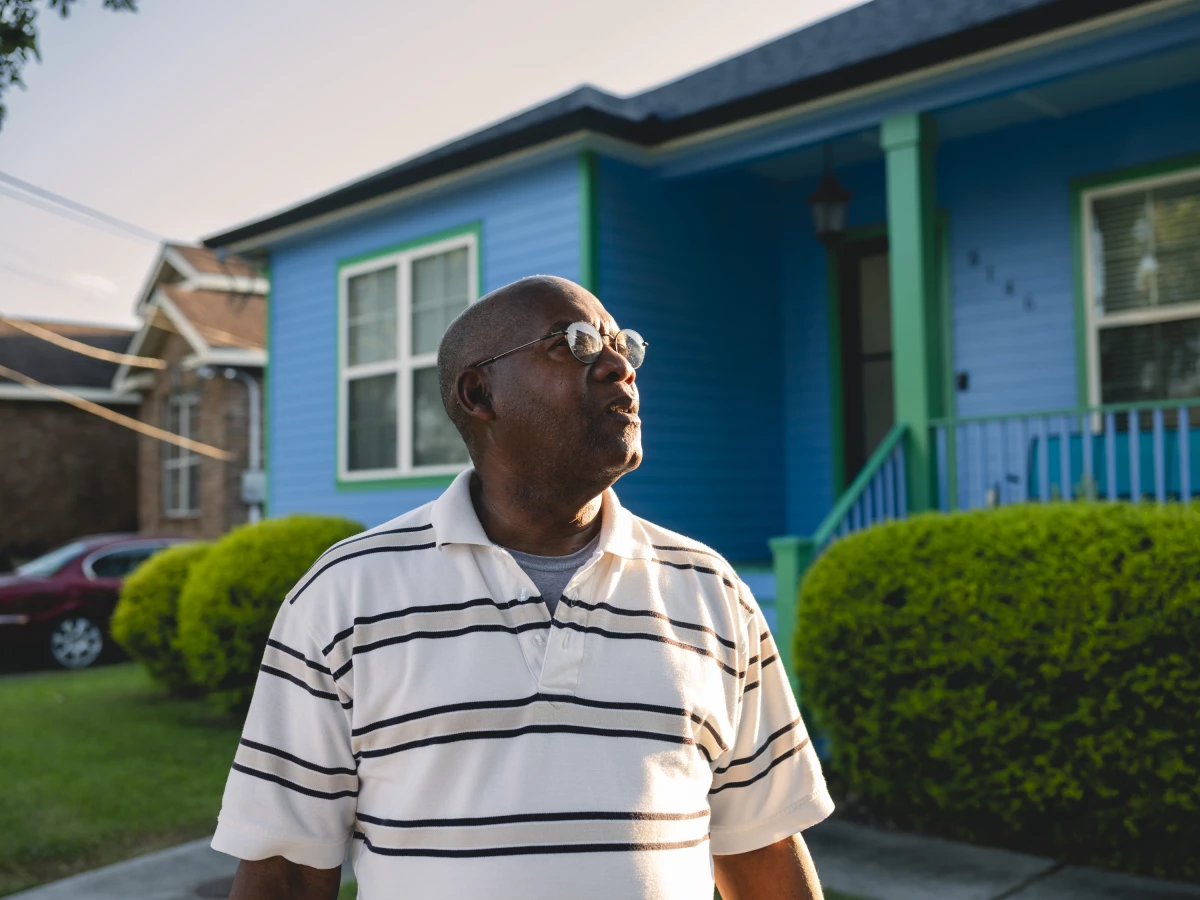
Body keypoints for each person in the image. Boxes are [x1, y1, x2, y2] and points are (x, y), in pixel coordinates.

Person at [216, 275, 833, 899]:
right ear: (480, 392)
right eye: (578, 344)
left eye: (623, 345)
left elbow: (763, 845)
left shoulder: (710, 591)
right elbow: (285, 871)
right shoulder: (343, 597)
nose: (619, 366)